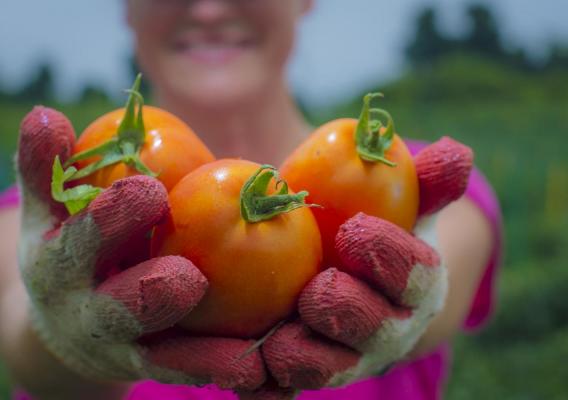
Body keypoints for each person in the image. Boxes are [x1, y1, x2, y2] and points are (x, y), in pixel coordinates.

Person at [0, 1, 502, 399]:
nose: (208, 9)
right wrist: (61, 343)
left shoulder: (426, 192)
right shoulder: (40, 220)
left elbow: (440, 302)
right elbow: (22, 347)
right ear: (126, 7)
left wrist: (414, 316)